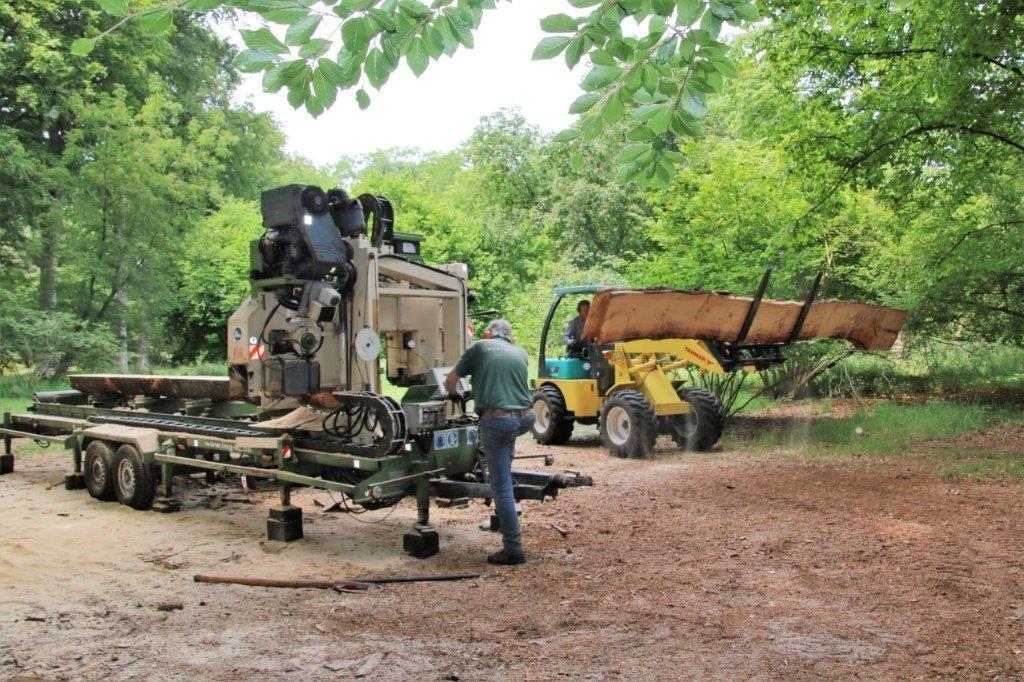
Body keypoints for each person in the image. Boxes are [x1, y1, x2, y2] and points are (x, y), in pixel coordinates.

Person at [445, 318, 534, 565]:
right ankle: (506, 499)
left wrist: (456, 395)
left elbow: (451, 381)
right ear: (509, 336)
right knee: (505, 454)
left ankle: (513, 549)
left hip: (498, 420)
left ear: (487, 334)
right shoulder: (520, 351)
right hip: (526, 417)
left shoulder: (479, 347)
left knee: (500, 486)